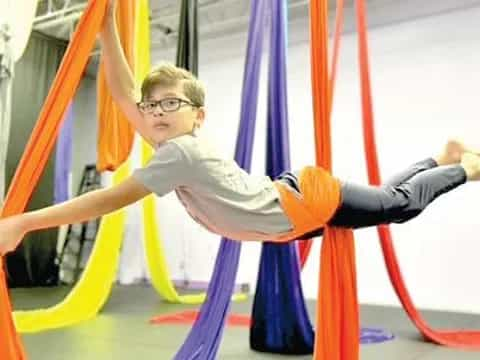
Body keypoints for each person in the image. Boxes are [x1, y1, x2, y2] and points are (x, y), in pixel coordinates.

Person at [0, 0, 479, 255]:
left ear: (198, 116)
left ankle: (464, 167)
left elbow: (107, 199)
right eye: (153, 106)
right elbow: (126, 95)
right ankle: (440, 157)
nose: (156, 110)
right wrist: (106, 30)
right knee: (384, 200)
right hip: (289, 217)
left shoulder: (179, 152)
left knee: (397, 206)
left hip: (304, 204)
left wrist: (26, 221)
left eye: (171, 103)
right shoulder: (168, 143)